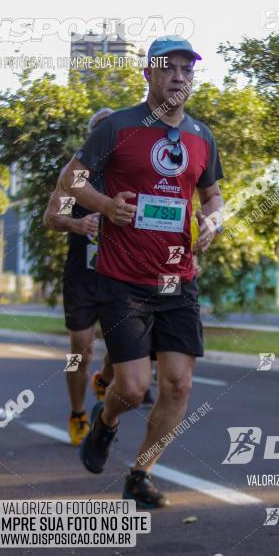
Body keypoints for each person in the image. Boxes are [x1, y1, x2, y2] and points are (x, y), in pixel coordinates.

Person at [57, 36, 224, 508]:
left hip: (178, 277)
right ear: (147, 75)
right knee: (131, 389)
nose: (178, 76)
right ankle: (105, 423)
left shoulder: (201, 136)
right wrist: (107, 205)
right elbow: (71, 181)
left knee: (178, 383)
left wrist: (214, 218)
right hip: (123, 278)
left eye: (186, 70)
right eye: (167, 68)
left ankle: (141, 472)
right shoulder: (118, 128)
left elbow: (212, 195)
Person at [43, 108, 120, 446]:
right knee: (80, 350)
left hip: (121, 271)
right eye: (100, 131)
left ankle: (104, 380)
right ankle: (78, 413)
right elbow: (50, 217)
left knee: (123, 347)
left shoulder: (131, 169)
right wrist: (75, 224)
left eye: (112, 130)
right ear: (91, 136)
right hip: (82, 275)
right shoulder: (73, 173)